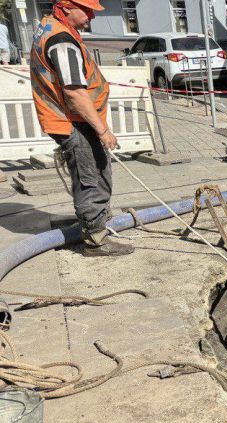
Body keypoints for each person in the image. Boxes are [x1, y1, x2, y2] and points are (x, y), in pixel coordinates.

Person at [29, 0, 133, 256]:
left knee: (97, 169)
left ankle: (96, 222)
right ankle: (96, 239)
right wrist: (102, 130)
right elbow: (74, 92)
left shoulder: (52, 26)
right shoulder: (61, 41)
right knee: (91, 178)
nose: (91, 17)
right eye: (86, 11)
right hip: (73, 121)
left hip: (73, 118)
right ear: (65, 8)